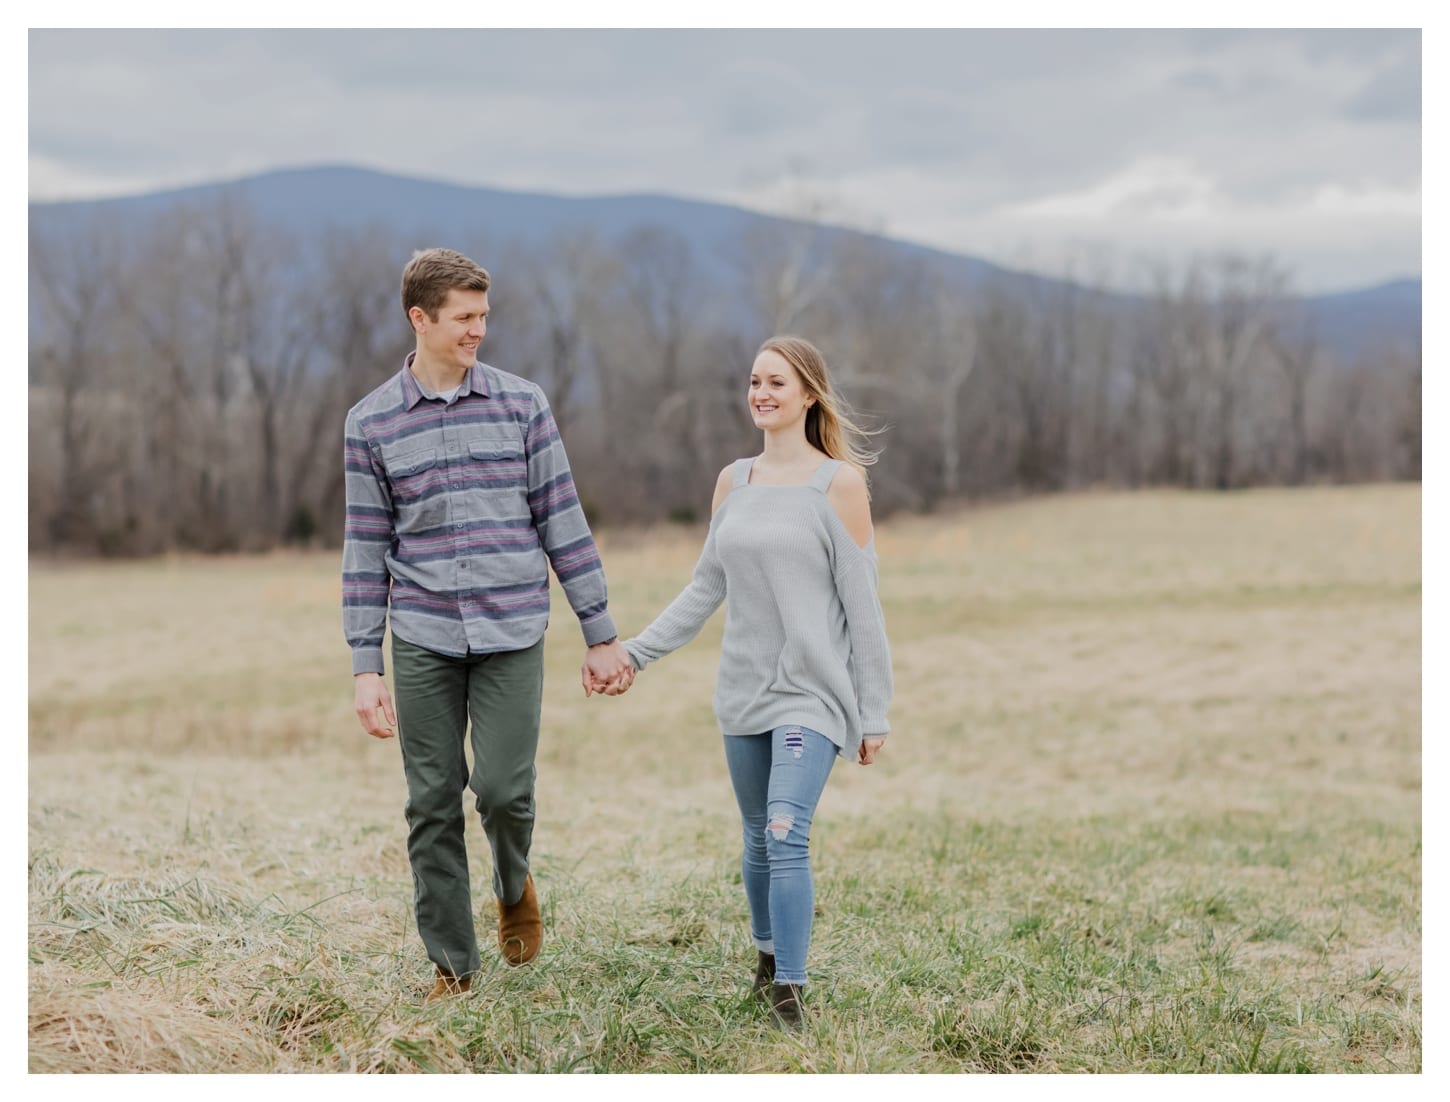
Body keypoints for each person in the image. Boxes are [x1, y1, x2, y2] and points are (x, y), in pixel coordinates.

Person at [342, 247, 634, 1005]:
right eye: (465, 318)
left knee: (504, 792)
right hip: (422, 636)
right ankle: (453, 967)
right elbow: (366, 548)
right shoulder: (370, 424)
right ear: (421, 318)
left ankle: (513, 880)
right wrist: (364, 664)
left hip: (511, 632)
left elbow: (561, 521)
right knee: (430, 802)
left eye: (484, 316)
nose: (479, 330)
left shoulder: (522, 404)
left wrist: (599, 630)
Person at [592, 335, 893, 1030]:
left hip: (811, 694)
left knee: (787, 830)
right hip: (742, 692)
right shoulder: (735, 481)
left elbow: (863, 606)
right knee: (758, 834)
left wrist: (872, 712)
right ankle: (765, 959)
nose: (761, 393)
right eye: (754, 382)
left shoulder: (838, 486)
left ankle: (790, 994)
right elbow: (704, 589)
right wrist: (634, 653)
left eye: (776, 384)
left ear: (809, 395)